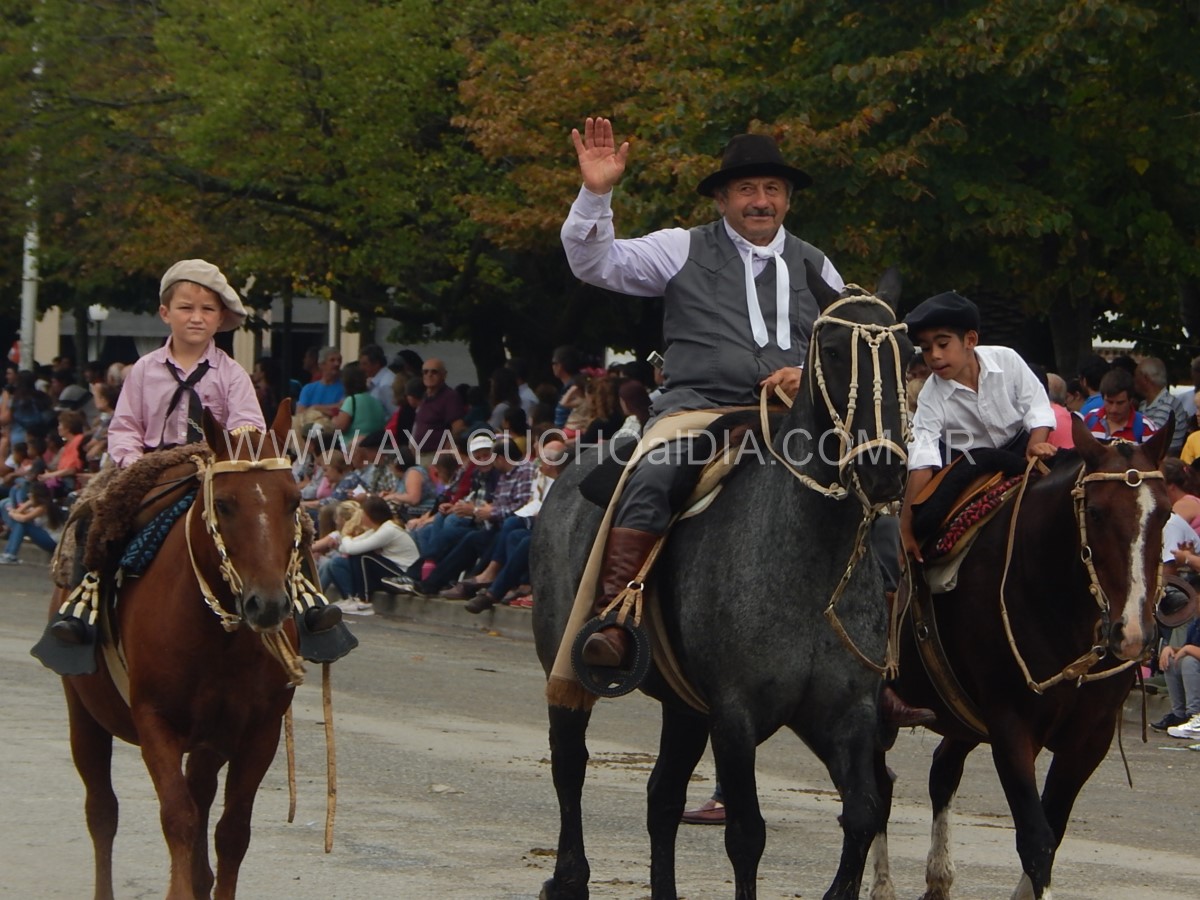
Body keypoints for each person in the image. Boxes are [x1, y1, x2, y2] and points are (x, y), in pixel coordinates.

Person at [560, 119, 857, 675]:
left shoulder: (820, 266)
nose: (761, 201)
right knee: (653, 476)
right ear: (721, 199)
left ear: (788, 199)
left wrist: (807, 374)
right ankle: (616, 617)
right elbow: (594, 264)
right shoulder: (681, 247)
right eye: (746, 189)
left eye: (772, 189)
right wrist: (596, 194)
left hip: (796, 418)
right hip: (699, 410)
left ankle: (881, 656)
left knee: (874, 487)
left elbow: (846, 352)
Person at [46, 259, 343, 652]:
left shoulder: (232, 373)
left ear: (220, 318)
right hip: (151, 469)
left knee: (290, 517)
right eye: (186, 308)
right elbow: (125, 427)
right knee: (95, 515)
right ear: (165, 313)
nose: (196, 317)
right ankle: (83, 606)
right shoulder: (143, 371)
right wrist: (133, 464)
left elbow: (248, 429)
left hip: (216, 471)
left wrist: (229, 458)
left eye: (207, 309)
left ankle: (306, 601)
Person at [899, 291, 1057, 563]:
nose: (934, 356)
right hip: (970, 465)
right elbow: (923, 457)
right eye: (925, 348)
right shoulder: (930, 396)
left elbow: (1037, 406)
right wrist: (905, 527)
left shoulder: (1007, 359)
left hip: (1023, 451)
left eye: (943, 344)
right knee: (927, 522)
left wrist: (1036, 443)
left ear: (970, 340)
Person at [324, 495, 420, 606]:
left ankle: (363, 600)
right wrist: (347, 539)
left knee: (363, 557)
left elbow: (351, 548)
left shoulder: (389, 530)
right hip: (390, 568)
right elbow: (344, 548)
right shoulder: (377, 529)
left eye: (363, 514)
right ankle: (350, 598)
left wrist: (345, 535)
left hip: (404, 573)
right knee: (337, 562)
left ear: (369, 516)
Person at [1082, 368, 1157, 443]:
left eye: (1120, 403)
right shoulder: (1090, 419)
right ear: (1103, 398)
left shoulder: (1145, 428)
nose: (1114, 409)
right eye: (1110, 402)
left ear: (1130, 400)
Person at [411, 359, 466, 460]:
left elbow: (458, 427)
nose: (429, 375)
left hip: (436, 456)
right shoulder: (425, 397)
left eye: (434, 371)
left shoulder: (450, 397)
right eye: (425, 372)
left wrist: (444, 452)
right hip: (420, 456)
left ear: (444, 375)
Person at [1135, 357, 1188, 455]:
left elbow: (1154, 443)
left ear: (1145, 379)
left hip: (1163, 459)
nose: (1134, 380)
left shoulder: (1168, 405)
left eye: (1136, 375)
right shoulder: (1143, 405)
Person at [330, 363, 386, 445]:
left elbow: (340, 427)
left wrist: (334, 419)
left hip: (351, 447)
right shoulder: (375, 401)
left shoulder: (351, 401)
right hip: (373, 446)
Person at [359, 344, 397, 417]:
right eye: (360, 364)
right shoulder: (376, 381)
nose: (361, 368)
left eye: (365, 364)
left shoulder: (386, 385)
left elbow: (395, 414)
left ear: (376, 364)